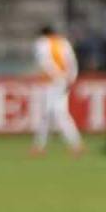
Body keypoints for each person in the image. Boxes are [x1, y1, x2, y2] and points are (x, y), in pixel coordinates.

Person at [31, 25, 82, 155]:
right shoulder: (63, 42)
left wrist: (55, 75)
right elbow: (72, 62)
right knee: (54, 113)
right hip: (63, 81)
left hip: (51, 82)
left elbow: (44, 62)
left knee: (52, 113)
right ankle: (41, 145)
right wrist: (71, 78)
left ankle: (40, 146)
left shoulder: (42, 43)